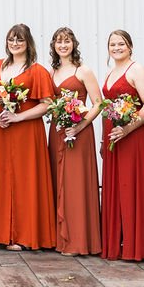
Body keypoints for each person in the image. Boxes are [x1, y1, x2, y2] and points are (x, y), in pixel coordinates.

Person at [0, 24, 56, 251]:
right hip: (1, 130)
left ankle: (24, 234)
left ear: (28, 43)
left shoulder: (37, 71)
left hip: (27, 132)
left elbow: (47, 105)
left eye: (20, 40)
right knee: (2, 177)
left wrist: (19, 117)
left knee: (26, 179)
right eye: (11, 40)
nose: (15, 44)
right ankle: (0, 233)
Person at [100, 30, 144, 261]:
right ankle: (119, 239)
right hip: (113, 137)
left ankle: (138, 244)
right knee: (117, 187)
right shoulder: (111, 72)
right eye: (112, 44)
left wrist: (128, 128)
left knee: (131, 186)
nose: (116, 48)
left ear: (130, 46)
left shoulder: (136, 69)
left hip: (133, 137)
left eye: (121, 44)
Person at [47, 27, 102, 256]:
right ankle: (59, 237)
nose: (63, 45)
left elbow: (99, 102)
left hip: (79, 131)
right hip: (57, 130)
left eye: (67, 41)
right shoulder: (51, 71)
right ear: (53, 46)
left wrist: (80, 125)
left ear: (74, 44)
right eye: (59, 42)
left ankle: (78, 240)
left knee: (75, 184)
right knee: (58, 180)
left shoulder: (83, 71)